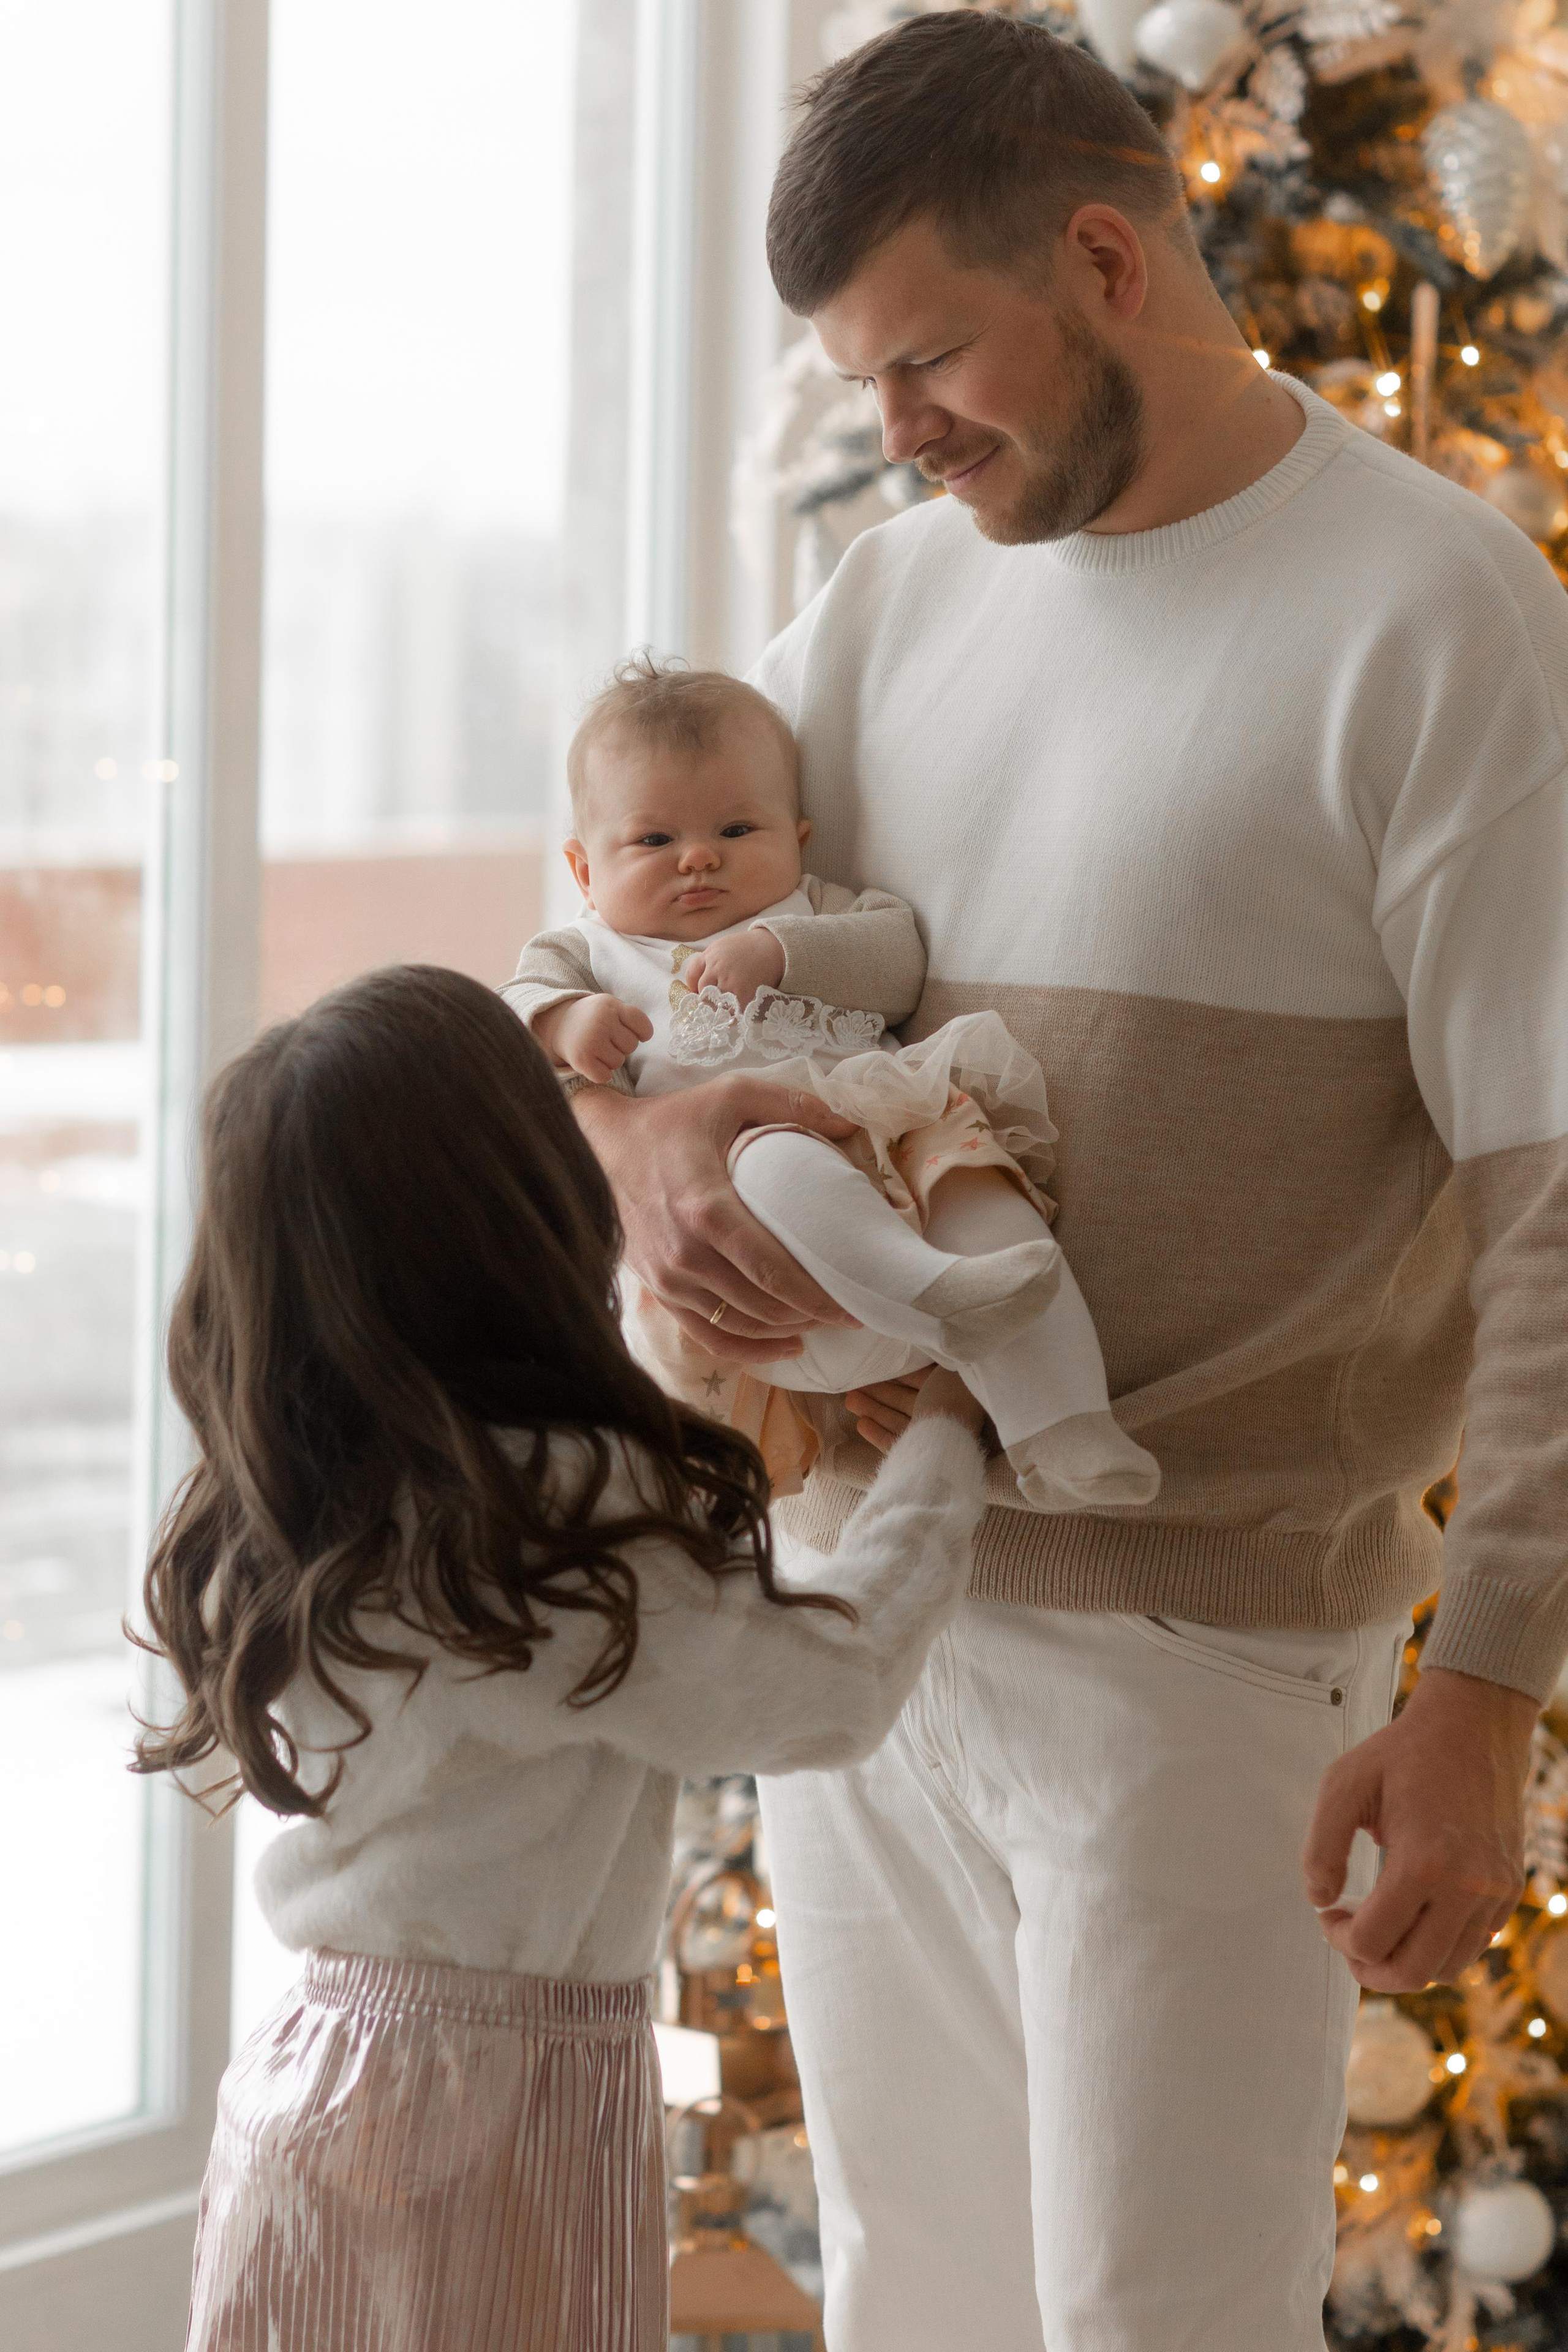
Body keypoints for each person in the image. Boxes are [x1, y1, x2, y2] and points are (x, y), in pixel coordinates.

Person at [565, 12, 1568, 2349]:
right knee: (908, 2300)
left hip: (1205, 1658)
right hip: (864, 1605)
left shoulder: (1440, 618)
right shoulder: (895, 606)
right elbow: (601, 928)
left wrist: (1488, 1698)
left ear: (1107, 258)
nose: (891, 436)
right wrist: (632, 1131)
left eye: (926, 365)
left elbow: (1553, 1193)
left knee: (1155, 2322)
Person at [130, 963, 993, 2352]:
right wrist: (950, 1431)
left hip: (311, 2080)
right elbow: (827, 1692)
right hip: (482, 2119)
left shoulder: (299, 1489)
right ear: (518, 1207)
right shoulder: (544, 1514)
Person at [505, 651, 1159, 1510]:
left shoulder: (816, 909)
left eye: (738, 832)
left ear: (797, 837)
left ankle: (1066, 1428)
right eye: (655, 840)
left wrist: (780, 951)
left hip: (886, 1145)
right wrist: (564, 1021)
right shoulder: (588, 950)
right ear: (585, 870)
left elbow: (900, 960)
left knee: (987, 1201)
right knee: (777, 1156)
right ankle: (932, 1302)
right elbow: (505, 1017)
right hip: (751, 1235)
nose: (699, 859)